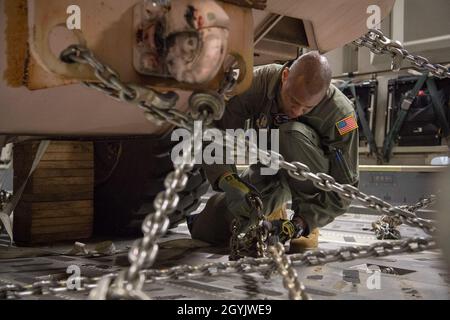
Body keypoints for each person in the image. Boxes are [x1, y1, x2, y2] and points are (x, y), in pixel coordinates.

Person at [189, 51, 359, 252]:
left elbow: (344, 190)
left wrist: (301, 224)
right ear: (285, 76)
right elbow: (216, 129)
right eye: (293, 100)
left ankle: (307, 220)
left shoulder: (340, 115)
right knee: (210, 228)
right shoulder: (256, 85)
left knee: (290, 133)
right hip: (270, 170)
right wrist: (228, 179)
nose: (296, 111)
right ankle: (273, 209)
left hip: (310, 179)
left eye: (307, 108)